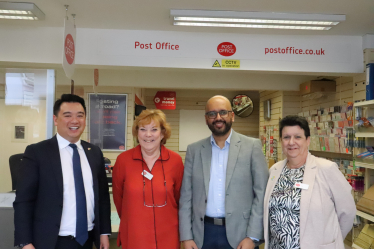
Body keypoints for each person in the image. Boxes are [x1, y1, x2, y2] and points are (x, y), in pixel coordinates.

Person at [13, 94, 111, 249]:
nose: (74, 121)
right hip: (51, 241)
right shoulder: (37, 152)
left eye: (80, 115)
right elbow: (23, 201)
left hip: (87, 239)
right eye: (67, 115)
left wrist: (104, 233)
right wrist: (25, 242)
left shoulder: (94, 152)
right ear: (55, 119)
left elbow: (103, 197)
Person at [179, 95, 269, 249]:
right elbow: (186, 196)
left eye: (223, 112)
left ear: (232, 116)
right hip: (202, 235)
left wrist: (252, 236)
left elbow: (261, 195)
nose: (218, 118)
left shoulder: (252, 147)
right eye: (212, 114)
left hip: (241, 236)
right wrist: (186, 237)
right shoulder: (194, 150)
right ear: (206, 118)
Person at [263, 115, 356, 249]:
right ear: (281, 141)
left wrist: (332, 241)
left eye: (298, 137)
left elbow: (347, 212)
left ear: (307, 140)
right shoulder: (274, 170)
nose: (291, 142)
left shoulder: (326, 169)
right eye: (286, 137)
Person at [112, 109, 184, 249]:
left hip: (168, 235)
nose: (148, 134)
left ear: (162, 133)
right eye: (143, 129)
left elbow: (178, 198)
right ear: (137, 132)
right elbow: (119, 199)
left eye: (154, 129)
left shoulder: (175, 161)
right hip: (135, 235)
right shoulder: (123, 161)